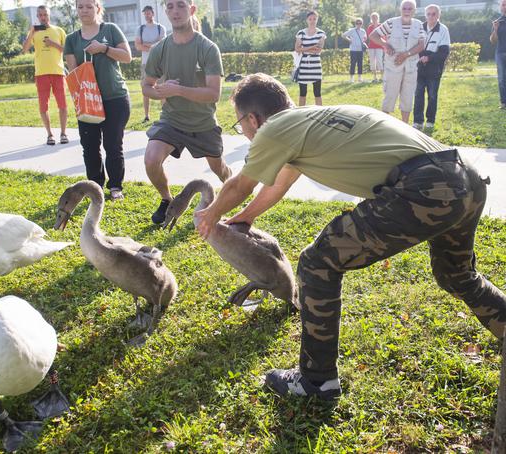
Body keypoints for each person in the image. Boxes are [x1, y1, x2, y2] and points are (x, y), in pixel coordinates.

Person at [195, 73, 506, 399]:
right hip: (464, 176)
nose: (242, 132)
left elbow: (242, 184)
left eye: (239, 124)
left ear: (253, 118)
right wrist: (244, 218)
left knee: (318, 262)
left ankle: (317, 381)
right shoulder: (310, 121)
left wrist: (211, 214)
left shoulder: (274, 129)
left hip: (425, 186)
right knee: (457, 275)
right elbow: (279, 183)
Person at [141, 0, 232, 224]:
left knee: (219, 169)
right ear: (165, 12)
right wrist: (162, 93)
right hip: (172, 120)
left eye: (181, 5)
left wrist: (178, 90)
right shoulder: (159, 50)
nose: (175, 11)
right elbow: (146, 86)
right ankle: (167, 200)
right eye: (170, 6)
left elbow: (213, 94)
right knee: (151, 159)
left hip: (203, 123)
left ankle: (235, 189)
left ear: (192, 10)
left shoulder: (208, 48)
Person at [64, 0, 132, 201]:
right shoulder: (71, 39)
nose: (84, 10)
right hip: (87, 102)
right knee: (90, 147)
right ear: (76, 10)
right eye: (80, 7)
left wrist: (104, 48)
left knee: (113, 146)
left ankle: (115, 186)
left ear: (98, 9)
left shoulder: (110, 30)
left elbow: (127, 56)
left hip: (115, 98)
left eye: (89, 6)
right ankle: (95, 187)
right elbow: (73, 73)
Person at [370, 0, 425, 124]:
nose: (407, 11)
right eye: (404, 8)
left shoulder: (418, 24)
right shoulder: (391, 23)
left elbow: (422, 45)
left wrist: (406, 54)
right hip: (393, 66)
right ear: (400, 10)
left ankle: (405, 126)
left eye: (410, 9)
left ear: (414, 11)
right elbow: (373, 35)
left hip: (410, 67)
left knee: (408, 97)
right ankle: (384, 126)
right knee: (390, 96)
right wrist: (385, 45)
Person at [22, 5, 68, 145]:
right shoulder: (34, 32)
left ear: (49, 15)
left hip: (58, 72)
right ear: (37, 16)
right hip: (41, 74)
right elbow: (24, 50)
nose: (43, 17)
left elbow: (66, 51)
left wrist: (53, 44)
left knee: (63, 105)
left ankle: (63, 133)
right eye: (40, 15)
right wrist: (31, 32)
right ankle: (49, 135)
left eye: (45, 14)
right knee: (43, 106)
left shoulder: (59, 30)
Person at [412, 4, 450, 131]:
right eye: (428, 14)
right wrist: (419, 57)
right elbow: (413, 46)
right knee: (418, 94)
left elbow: (444, 52)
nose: (431, 16)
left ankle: (430, 121)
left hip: (434, 69)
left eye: (434, 14)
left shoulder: (443, 29)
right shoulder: (419, 28)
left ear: (438, 15)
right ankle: (417, 121)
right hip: (419, 67)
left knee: (432, 95)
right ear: (425, 15)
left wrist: (429, 58)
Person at [135, 5, 165, 123]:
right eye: (145, 13)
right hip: (145, 64)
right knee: (145, 89)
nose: (147, 15)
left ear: (153, 13)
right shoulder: (140, 29)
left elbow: (162, 44)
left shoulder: (160, 28)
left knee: (162, 88)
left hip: (160, 63)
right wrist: (153, 45)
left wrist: (146, 44)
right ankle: (146, 116)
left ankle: (164, 115)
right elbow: (138, 46)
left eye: (148, 13)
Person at [294, 11, 326, 106]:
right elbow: (297, 49)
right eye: (310, 19)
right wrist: (312, 47)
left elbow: (318, 50)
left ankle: (320, 113)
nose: (312, 21)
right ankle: (301, 113)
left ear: (317, 20)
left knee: (317, 93)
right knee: (302, 93)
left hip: (315, 66)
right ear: (307, 20)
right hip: (303, 66)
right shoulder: (301, 33)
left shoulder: (321, 33)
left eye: (314, 19)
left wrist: (304, 49)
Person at [490, 0, 506, 109]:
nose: (505, 6)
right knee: (501, 79)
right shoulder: (498, 21)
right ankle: (504, 102)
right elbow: (493, 41)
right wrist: (495, 30)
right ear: (500, 7)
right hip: (500, 54)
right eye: (503, 4)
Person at [342, 18, 367, 83]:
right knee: (353, 64)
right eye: (357, 23)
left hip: (360, 50)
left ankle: (360, 78)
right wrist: (349, 40)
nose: (358, 24)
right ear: (355, 24)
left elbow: (365, 38)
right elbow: (343, 35)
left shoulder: (363, 31)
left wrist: (363, 42)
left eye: (360, 23)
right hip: (353, 49)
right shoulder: (352, 30)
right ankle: (351, 78)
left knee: (360, 64)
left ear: (362, 24)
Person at [366, 12, 384, 83]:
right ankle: (374, 78)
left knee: (379, 61)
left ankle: (382, 77)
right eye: (373, 17)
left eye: (375, 17)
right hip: (371, 47)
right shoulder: (370, 27)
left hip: (379, 46)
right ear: (371, 19)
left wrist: (377, 38)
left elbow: (382, 35)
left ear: (378, 18)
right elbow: (370, 37)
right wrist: (377, 37)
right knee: (372, 62)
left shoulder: (381, 26)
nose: (374, 19)